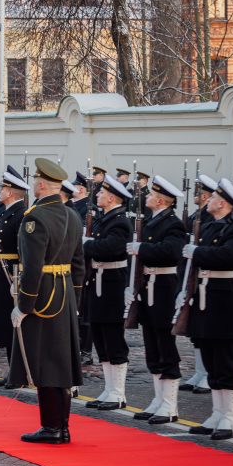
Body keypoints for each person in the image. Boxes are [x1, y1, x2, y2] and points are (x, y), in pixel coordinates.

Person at [12, 158, 85, 444]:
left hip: (43, 294)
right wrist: (74, 298)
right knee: (61, 361)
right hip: (65, 292)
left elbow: (32, 267)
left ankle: (52, 427)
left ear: (41, 184)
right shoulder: (72, 214)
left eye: (35, 182)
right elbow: (79, 263)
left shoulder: (35, 218)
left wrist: (23, 305)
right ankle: (61, 426)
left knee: (45, 361)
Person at [182, 178, 233, 440]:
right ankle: (217, 412)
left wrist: (196, 252)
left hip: (223, 299)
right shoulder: (209, 227)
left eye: (212, 198)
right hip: (204, 296)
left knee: (224, 358)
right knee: (209, 357)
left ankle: (230, 418)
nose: (207, 200)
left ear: (222, 203)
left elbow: (230, 257)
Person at [125, 175, 187, 424]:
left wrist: (142, 249)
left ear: (161, 200)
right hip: (148, 286)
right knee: (152, 344)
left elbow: (171, 252)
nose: (147, 197)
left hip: (163, 287)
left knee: (165, 343)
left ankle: (170, 404)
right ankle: (158, 399)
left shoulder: (173, 224)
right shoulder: (151, 222)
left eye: (151, 195)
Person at [82, 174, 133, 410]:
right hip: (98, 281)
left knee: (112, 336)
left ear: (112, 198)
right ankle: (109, 389)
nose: (97, 196)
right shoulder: (106, 218)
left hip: (112, 282)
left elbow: (112, 247)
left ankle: (118, 392)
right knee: (100, 337)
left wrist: (86, 245)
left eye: (101, 193)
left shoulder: (120, 221)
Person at [0, 166, 28, 385]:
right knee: (4, 321)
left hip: (12, 271)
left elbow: (24, 248)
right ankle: (12, 370)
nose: (0, 191)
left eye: (3, 188)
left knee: (15, 322)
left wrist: (20, 276)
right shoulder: (6, 212)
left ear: (12, 192)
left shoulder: (21, 214)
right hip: (1, 269)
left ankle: (19, 372)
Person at [180, 175, 218, 394]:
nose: (195, 195)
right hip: (192, 272)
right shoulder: (197, 215)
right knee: (196, 329)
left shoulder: (209, 217)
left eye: (198, 192)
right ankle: (200, 372)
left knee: (206, 330)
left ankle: (207, 374)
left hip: (206, 275)